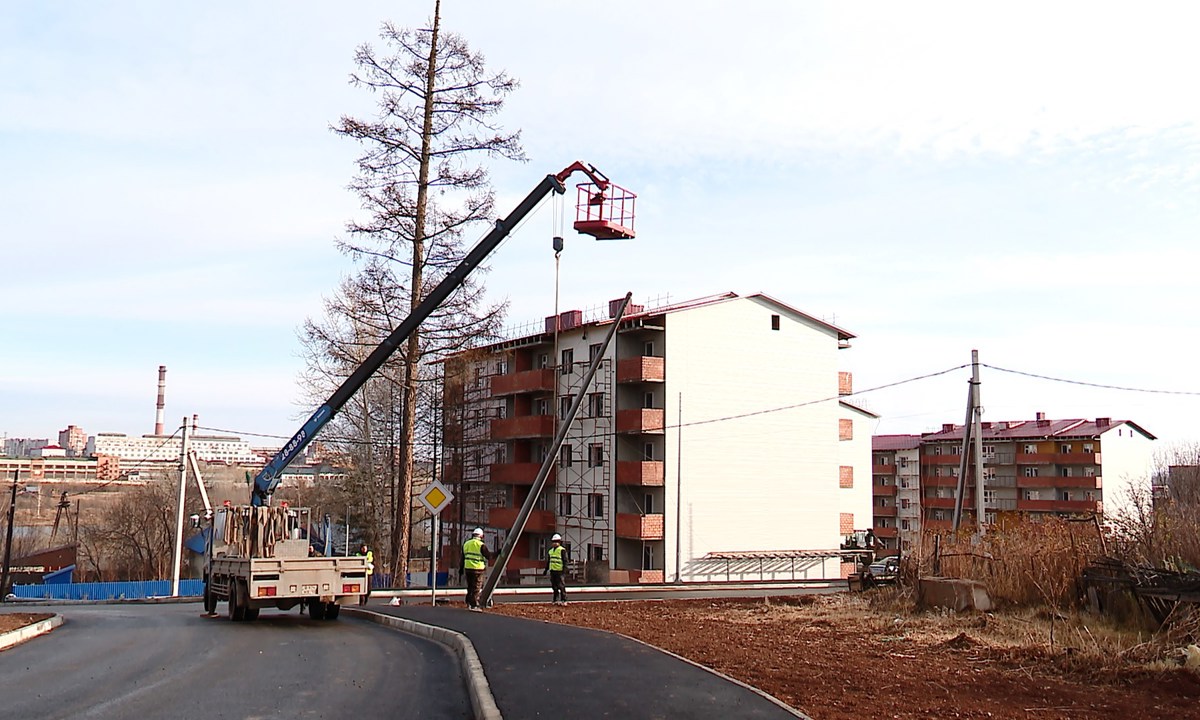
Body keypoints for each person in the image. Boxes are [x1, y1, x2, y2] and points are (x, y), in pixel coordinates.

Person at [461, 527, 493, 612]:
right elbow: (489, 556)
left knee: (470, 586)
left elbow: (462, 558)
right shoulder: (481, 545)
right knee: (476, 587)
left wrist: (461, 569)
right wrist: (498, 553)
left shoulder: (466, 544)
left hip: (468, 568)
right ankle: (474, 605)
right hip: (478, 569)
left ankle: (468, 602)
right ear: (481, 536)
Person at [544, 533, 570, 605]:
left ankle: (564, 600)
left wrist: (564, 570)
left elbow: (565, 561)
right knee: (554, 586)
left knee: (561, 586)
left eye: (556, 541)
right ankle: (555, 600)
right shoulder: (551, 551)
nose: (555, 543)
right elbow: (549, 561)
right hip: (553, 571)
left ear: (559, 542)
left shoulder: (562, 550)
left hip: (560, 571)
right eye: (553, 542)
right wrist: (546, 570)